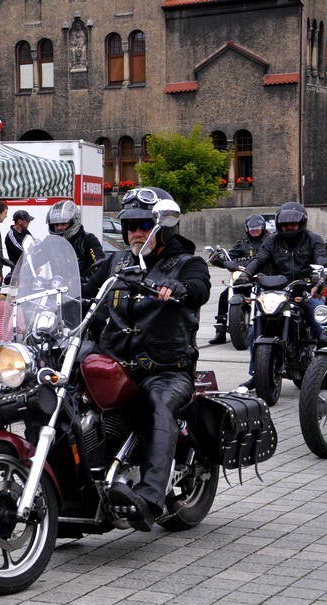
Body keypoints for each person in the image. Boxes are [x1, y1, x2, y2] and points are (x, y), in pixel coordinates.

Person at [82, 187, 211, 531]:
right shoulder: (116, 261)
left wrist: (180, 289)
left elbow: (200, 287)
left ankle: (149, 496)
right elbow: (84, 289)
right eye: (130, 226)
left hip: (166, 369)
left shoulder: (186, 263)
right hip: (114, 363)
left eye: (143, 225)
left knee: (158, 402)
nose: (135, 233)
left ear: (162, 227)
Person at [236, 201, 327, 388]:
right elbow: (260, 259)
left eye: (293, 224)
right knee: (256, 330)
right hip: (277, 292)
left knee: (321, 326)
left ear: (302, 223)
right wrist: (245, 274)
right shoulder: (271, 241)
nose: (289, 227)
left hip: (305, 291)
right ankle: (257, 374)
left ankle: (325, 370)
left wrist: (319, 281)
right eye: (285, 224)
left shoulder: (313, 240)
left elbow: (322, 262)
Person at [208, 214, 267, 344]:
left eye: (257, 228)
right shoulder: (242, 244)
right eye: (252, 229)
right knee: (224, 296)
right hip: (242, 279)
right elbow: (229, 258)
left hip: (261, 278)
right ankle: (220, 332)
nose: (255, 231)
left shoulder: (268, 242)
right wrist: (216, 259)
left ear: (262, 228)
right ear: (247, 229)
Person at [46, 199, 104, 282]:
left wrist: (87, 279)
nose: (59, 228)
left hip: (84, 289)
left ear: (74, 222)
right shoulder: (50, 242)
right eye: (56, 224)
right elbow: (34, 261)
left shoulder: (88, 240)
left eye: (63, 224)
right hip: (57, 289)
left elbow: (99, 265)